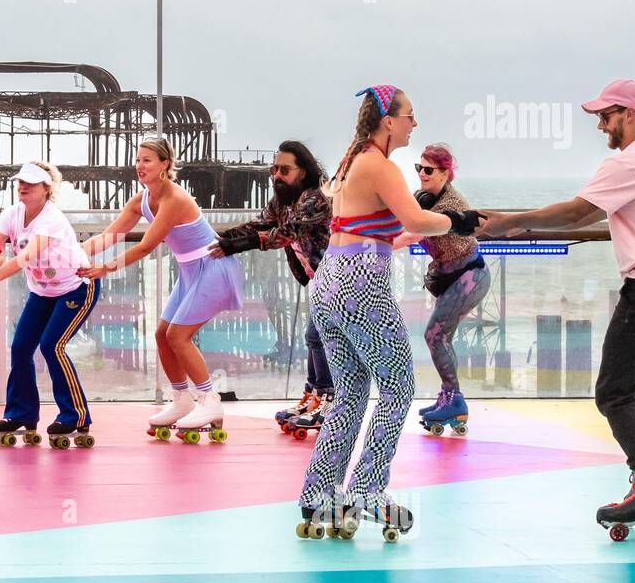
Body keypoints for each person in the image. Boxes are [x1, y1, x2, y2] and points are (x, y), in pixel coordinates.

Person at [479, 80, 635, 538]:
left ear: (632, 115)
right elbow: (587, 215)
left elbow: (577, 210)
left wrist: (511, 222)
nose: (601, 124)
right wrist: (521, 226)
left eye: (607, 115)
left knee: (612, 392)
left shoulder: (631, 160)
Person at [296, 86, 482, 540]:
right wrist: (458, 221)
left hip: (328, 283)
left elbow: (388, 221)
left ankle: (319, 496)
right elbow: (417, 222)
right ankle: (367, 491)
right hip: (362, 281)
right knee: (398, 388)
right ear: (388, 121)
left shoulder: (350, 161)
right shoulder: (379, 164)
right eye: (410, 115)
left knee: (351, 393)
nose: (414, 124)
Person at [79, 138, 244, 441]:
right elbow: (110, 235)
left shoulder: (175, 199)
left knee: (178, 336)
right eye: (138, 160)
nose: (139, 166)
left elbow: (144, 247)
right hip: (190, 271)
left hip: (213, 268)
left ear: (165, 164)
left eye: (147, 161)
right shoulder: (140, 199)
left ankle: (210, 402)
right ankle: (182, 400)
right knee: (162, 335)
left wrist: (104, 268)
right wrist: (75, 254)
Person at [0, 161, 100, 447]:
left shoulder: (51, 218)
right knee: (20, 348)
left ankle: (75, 415)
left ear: (47, 188)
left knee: (52, 346)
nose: (23, 187)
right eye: (20, 182)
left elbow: (25, 257)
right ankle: (21, 414)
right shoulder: (11, 215)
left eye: (30, 182)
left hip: (76, 288)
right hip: (42, 292)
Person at [209, 140, 334, 433]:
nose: (276, 175)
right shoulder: (283, 200)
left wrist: (234, 246)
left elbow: (284, 234)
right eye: (274, 169)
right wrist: (218, 237)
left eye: (284, 170)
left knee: (317, 336)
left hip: (337, 276)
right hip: (318, 277)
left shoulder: (315, 199)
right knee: (314, 336)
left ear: (303, 172)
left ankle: (328, 401)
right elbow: (260, 224)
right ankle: (315, 395)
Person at [392, 143, 491, 434]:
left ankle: (454, 400)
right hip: (452, 277)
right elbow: (402, 218)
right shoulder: (422, 199)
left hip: (470, 276)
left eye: (429, 170)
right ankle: (449, 397)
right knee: (441, 338)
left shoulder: (451, 207)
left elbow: (413, 232)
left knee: (435, 335)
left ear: (445, 174)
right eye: (419, 168)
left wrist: (380, 244)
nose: (422, 174)